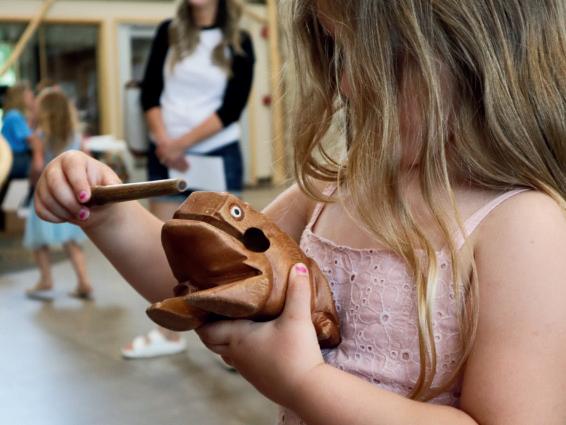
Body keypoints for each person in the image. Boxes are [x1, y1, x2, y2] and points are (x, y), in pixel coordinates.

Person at [34, 0, 566, 423]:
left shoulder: (524, 227)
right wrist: (105, 214)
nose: (347, 83)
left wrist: (304, 383)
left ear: (475, 53)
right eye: (340, 53)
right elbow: (194, 276)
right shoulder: (330, 192)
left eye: (375, 57)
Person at [123, 0, 255, 358]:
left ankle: (237, 338)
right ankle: (167, 332)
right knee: (163, 244)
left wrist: (181, 144)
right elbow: (149, 93)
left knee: (227, 250)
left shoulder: (239, 40)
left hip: (216, 152)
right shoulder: (168, 32)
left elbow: (233, 106)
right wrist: (165, 143)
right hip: (165, 152)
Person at [24, 89, 92, 300]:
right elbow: (88, 162)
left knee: (39, 242)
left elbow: (38, 166)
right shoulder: (76, 137)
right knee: (71, 242)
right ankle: (83, 281)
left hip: (46, 196)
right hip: (70, 196)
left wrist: (32, 178)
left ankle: (46, 279)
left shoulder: (40, 138)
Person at [0, 83, 44, 212]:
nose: (32, 98)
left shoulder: (15, 115)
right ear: (21, 97)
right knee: (42, 167)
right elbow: (32, 139)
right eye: (29, 95)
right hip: (15, 159)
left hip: (16, 158)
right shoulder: (14, 115)